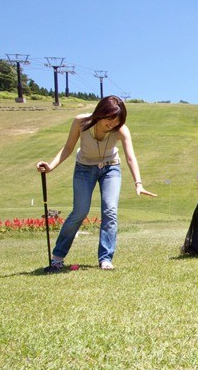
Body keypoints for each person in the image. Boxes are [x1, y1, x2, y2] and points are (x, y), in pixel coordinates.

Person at [36, 95, 156, 270]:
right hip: (84, 168)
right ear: (100, 113)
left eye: (117, 121)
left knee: (110, 211)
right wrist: (50, 167)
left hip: (110, 169)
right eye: (109, 119)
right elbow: (68, 147)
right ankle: (57, 257)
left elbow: (130, 157)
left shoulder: (121, 130)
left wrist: (138, 183)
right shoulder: (81, 122)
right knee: (80, 211)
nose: (113, 124)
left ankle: (105, 259)